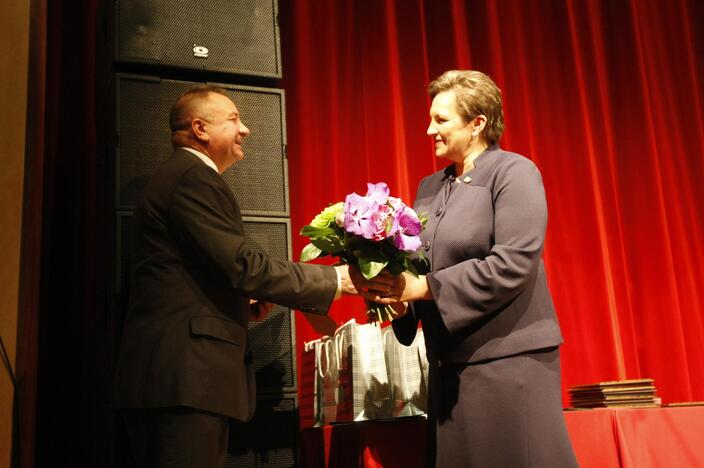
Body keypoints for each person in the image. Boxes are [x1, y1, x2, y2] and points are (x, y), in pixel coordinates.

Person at [112, 86, 390, 468]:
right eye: (233, 119)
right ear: (200, 128)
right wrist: (338, 281)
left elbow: (199, 272)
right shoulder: (193, 177)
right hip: (183, 380)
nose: (245, 130)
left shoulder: (180, 177)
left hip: (174, 381)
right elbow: (243, 266)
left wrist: (242, 301)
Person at [373, 70, 578, 467]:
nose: (429, 129)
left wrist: (422, 288)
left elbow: (513, 264)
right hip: (450, 365)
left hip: (508, 362)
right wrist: (397, 300)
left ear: (478, 123)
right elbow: (421, 266)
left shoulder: (514, 173)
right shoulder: (429, 187)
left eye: (441, 119)